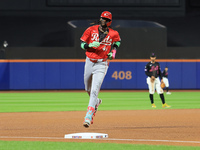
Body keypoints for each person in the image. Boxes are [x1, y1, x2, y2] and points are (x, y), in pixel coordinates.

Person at [80, 11, 121, 127]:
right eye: (102, 18)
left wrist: (113, 51)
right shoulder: (91, 30)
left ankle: (88, 115)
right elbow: (82, 44)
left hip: (102, 63)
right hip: (89, 61)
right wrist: (89, 45)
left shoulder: (113, 33)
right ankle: (96, 102)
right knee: (87, 88)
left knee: (94, 89)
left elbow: (118, 41)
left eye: (106, 19)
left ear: (109, 22)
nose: (103, 20)